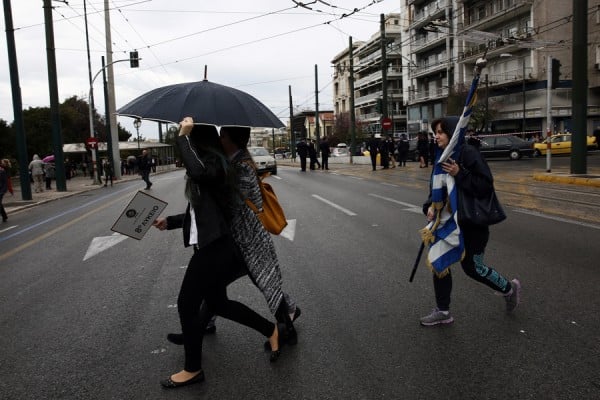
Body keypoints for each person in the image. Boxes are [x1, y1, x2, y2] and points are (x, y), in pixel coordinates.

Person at [152, 118, 281, 389]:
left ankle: (193, 368)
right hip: (211, 244)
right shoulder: (210, 167)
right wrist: (172, 222)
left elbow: (199, 173)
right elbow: (201, 211)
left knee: (187, 303)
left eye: (190, 140)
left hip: (217, 247)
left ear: (198, 142)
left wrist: (183, 137)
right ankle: (270, 329)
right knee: (217, 303)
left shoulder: (218, 167)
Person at [419, 116, 521, 326]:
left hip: (471, 224)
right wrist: (430, 206)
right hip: (447, 224)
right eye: (434, 132)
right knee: (440, 263)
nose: (436, 136)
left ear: (452, 133)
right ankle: (443, 311)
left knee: (473, 268)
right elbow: (437, 191)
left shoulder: (468, 153)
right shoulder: (441, 157)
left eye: (440, 132)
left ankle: (509, 289)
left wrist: (460, 173)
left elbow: (485, 185)